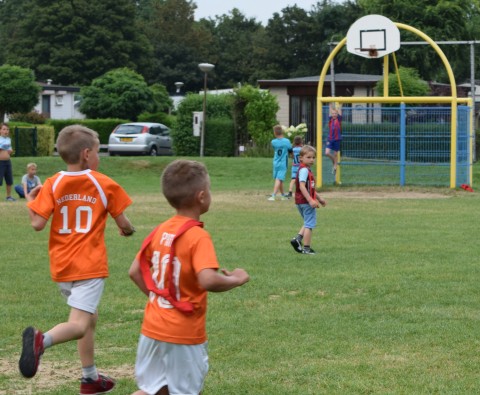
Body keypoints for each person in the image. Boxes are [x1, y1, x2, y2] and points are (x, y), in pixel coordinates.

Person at [20, 125, 135, 394]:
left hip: (62, 266)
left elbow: (37, 224)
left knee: (89, 318)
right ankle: (41, 341)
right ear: (86, 154)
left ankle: (90, 378)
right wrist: (127, 229)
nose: (99, 157)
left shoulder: (53, 183)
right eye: (97, 152)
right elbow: (124, 222)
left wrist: (29, 200)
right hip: (89, 266)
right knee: (79, 325)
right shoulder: (103, 182)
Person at [128, 159, 250, 395]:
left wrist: (160, 299)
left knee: (153, 390)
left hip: (152, 328)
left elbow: (134, 271)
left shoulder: (161, 229)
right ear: (202, 196)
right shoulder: (197, 236)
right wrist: (237, 279)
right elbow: (208, 279)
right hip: (183, 334)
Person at [290, 145, 327, 255]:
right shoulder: (304, 170)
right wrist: (310, 200)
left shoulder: (306, 170)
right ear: (301, 158)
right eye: (308, 157)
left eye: (313, 157)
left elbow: (310, 188)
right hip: (305, 202)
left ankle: (297, 240)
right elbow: (302, 186)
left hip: (301, 201)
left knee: (307, 222)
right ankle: (306, 248)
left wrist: (319, 198)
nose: (311, 160)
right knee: (309, 225)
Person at [269, 125, 292, 201]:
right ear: (282, 132)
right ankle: (273, 195)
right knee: (279, 179)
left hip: (276, 162)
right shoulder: (287, 141)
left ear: (275, 133)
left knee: (279, 179)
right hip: (283, 163)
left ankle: (283, 195)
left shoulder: (273, 142)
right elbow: (290, 150)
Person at [324, 104, 343, 178]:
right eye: (333, 114)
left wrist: (340, 106)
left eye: (335, 113)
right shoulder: (330, 120)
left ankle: (335, 166)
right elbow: (330, 111)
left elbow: (340, 112)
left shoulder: (339, 120)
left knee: (335, 154)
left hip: (337, 139)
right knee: (327, 153)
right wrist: (330, 106)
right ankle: (334, 161)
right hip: (330, 139)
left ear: (337, 114)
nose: (334, 115)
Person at [1, 123, 14, 201]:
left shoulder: (8, 140)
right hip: (0, 162)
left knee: (9, 179)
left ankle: (8, 196)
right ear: (0, 130)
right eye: (4, 129)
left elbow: (9, 149)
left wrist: (10, 151)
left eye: (7, 129)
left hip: (7, 162)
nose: (6, 131)